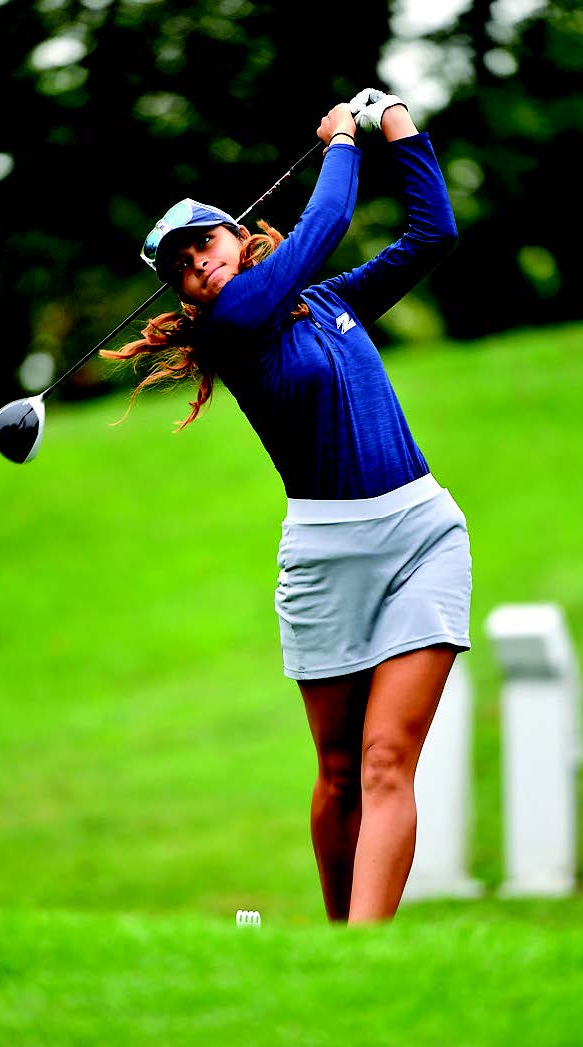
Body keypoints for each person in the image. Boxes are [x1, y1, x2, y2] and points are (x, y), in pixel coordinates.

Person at [101, 88, 472, 925]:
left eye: (205, 241)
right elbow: (327, 222)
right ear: (187, 292)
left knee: (384, 762)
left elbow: (432, 235)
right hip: (325, 557)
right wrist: (340, 141)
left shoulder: (327, 301)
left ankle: (362, 954)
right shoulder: (233, 321)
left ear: (236, 232)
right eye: (181, 264)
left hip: (422, 535)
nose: (198, 261)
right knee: (339, 769)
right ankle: (333, 946)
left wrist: (397, 127)